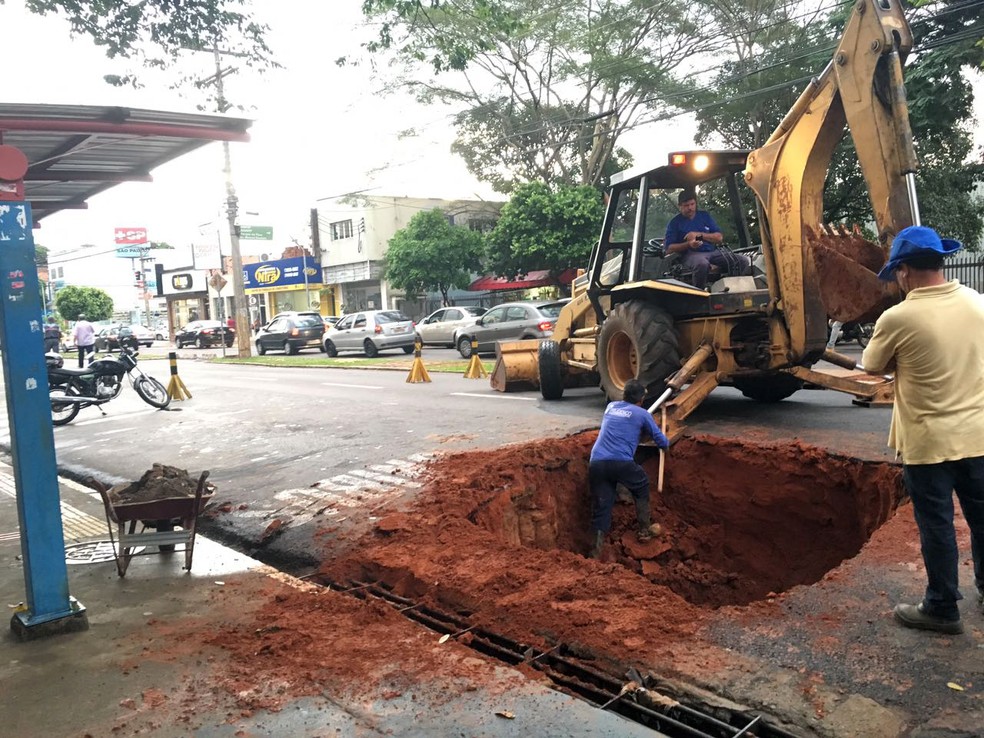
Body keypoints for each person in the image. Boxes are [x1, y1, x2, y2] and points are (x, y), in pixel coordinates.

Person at [861, 225, 984, 635]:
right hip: (979, 436)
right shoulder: (976, 303)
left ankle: (942, 607)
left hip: (929, 444)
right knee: (982, 519)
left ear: (904, 271)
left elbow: (873, 366)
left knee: (937, 525)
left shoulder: (899, 317)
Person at [588, 378, 670, 559]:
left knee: (603, 504)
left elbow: (621, 425)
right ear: (640, 400)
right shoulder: (642, 414)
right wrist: (666, 444)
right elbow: (660, 439)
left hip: (597, 462)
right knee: (640, 484)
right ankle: (644, 530)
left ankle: (595, 551)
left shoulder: (611, 407)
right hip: (621, 462)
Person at [665, 190, 750, 289]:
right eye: (686, 205)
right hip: (690, 254)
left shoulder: (704, 216)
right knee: (702, 264)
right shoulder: (674, 223)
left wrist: (698, 235)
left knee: (742, 261)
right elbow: (669, 248)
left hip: (713, 252)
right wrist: (689, 244)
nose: (690, 208)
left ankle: (732, 288)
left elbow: (718, 238)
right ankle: (699, 293)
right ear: (680, 206)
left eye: (692, 204)